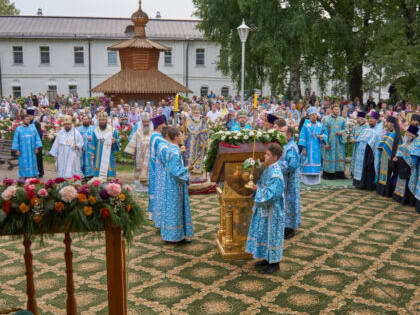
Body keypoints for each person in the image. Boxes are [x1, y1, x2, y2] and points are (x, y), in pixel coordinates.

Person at [246, 143, 285, 274]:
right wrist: (256, 186)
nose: (264, 156)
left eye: (267, 154)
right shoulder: (268, 168)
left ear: (275, 157)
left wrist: (257, 190)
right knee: (264, 234)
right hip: (265, 210)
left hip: (273, 211)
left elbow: (272, 195)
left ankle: (274, 263)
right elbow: (262, 184)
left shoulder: (276, 174)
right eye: (265, 154)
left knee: (272, 235)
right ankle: (267, 258)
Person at [160, 127, 194, 242]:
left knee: (170, 206)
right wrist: (187, 169)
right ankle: (175, 236)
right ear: (175, 137)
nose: (182, 138)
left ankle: (169, 234)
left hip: (169, 183)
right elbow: (176, 172)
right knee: (176, 207)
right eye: (180, 135)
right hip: (175, 185)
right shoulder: (175, 152)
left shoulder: (169, 149)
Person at [353, 111, 382, 190]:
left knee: (369, 168)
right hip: (362, 151)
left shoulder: (378, 130)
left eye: (372, 119)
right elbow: (360, 138)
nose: (370, 120)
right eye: (369, 118)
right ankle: (360, 183)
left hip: (371, 152)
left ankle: (369, 185)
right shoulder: (366, 129)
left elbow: (377, 141)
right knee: (363, 167)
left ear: (376, 120)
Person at [298, 107, 328, 185]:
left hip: (317, 148)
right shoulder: (305, 124)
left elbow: (325, 134)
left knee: (316, 162)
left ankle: (316, 180)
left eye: (315, 115)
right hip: (307, 147)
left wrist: (322, 137)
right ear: (309, 116)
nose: (313, 116)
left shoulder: (320, 125)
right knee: (307, 162)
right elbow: (302, 136)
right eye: (312, 115)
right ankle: (306, 180)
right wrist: (303, 148)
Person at [280, 127, 300, 239]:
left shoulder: (292, 147)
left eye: (282, 132)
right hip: (284, 179)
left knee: (289, 202)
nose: (279, 133)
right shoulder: (284, 144)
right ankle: (283, 226)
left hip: (290, 180)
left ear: (289, 134)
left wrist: (278, 165)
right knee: (284, 202)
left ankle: (289, 228)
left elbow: (292, 165)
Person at [124, 112, 152, 192]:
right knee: (138, 169)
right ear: (142, 121)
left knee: (148, 170)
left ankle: (148, 187)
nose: (146, 123)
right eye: (144, 122)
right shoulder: (138, 131)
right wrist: (133, 153)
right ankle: (139, 187)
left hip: (149, 154)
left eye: (147, 122)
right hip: (139, 154)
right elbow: (133, 141)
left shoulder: (152, 130)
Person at [88, 112, 120, 180]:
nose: (102, 122)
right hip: (98, 155)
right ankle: (98, 184)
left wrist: (115, 141)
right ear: (98, 121)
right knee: (98, 169)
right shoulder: (95, 131)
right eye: (100, 120)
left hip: (109, 154)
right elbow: (92, 143)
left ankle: (110, 184)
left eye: (103, 120)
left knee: (109, 169)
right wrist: (92, 154)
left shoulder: (112, 130)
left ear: (106, 120)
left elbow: (117, 141)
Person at [183, 105, 210, 183]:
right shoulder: (188, 120)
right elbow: (185, 133)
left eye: (198, 113)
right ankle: (190, 179)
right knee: (190, 161)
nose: (196, 114)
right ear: (192, 112)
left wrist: (203, 134)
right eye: (195, 113)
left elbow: (207, 131)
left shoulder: (203, 120)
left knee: (200, 161)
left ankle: (200, 179)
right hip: (191, 145)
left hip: (200, 145)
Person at [148, 115, 168, 223]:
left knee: (154, 190)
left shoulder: (155, 136)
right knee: (158, 190)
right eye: (164, 124)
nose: (165, 126)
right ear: (159, 125)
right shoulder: (158, 138)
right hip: (158, 168)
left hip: (154, 167)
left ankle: (153, 213)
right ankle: (157, 214)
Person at [392, 125, 418, 206]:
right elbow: (400, 151)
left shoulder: (416, 144)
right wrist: (396, 157)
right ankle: (399, 197)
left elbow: (414, 157)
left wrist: (405, 156)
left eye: (408, 133)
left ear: (413, 135)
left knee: (407, 183)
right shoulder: (405, 142)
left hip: (409, 168)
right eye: (406, 132)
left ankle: (406, 200)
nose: (406, 134)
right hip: (401, 166)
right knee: (400, 181)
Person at [376, 116, 401, 197]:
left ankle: (387, 192)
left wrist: (395, 156)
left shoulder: (396, 134)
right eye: (386, 122)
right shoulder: (388, 132)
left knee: (388, 175)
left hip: (390, 158)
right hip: (384, 158)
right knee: (382, 174)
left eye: (388, 122)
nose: (386, 123)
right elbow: (382, 144)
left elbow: (399, 146)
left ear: (393, 124)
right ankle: (381, 190)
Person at [12, 115, 43, 179]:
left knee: (33, 161)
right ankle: (24, 176)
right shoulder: (18, 129)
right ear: (22, 120)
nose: (28, 121)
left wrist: (37, 147)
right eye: (26, 119)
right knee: (23, 162)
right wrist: (16, 150)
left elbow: (37, 137)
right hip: (22, 150)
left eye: (29, 119)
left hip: (32, 150)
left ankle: (33, 175)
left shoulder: (33, 128)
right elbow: (15, 140)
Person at [322, 104, 347, 179]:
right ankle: (329, 174)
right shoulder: (326, 119)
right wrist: (325, 143)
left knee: (339, 157)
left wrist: (341, 132)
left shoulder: (342, 119)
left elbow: (346, 129)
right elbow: (323, 131)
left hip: (339, 143)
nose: (337, 111)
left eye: (338, 109)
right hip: (330, 143)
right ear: (332, 110)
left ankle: (339, 174)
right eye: (335, 109)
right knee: (330, 157)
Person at [349, 112, 368, 176]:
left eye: (358, 118)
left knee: (361, 160)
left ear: (362, 118)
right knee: (354, 158)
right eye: (357, 118)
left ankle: (360, 174)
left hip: (362, 147)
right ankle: (353, 173)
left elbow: (365, 137)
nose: (357, 119)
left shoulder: (366, 127)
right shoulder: (356, 126)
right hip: (356, 146)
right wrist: (352, 139)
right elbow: (352, 134)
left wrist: (356, 140)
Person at [27, 109, 44, 178]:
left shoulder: (36, 123)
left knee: (38, 159)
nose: (30, 117)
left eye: (31, 116)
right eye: (28, 116)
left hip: (37, 144)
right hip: (29, 144)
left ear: (33, 116)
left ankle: (40, 172)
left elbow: (40, 134)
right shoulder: (27, 124)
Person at [78, 115, 95, 179]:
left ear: (89, 120)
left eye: (86, 119)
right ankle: (83, 175)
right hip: (82, 149)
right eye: (84, 119)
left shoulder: (93, 128)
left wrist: (92, 139)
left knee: (90, 162)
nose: (85, 120)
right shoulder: (79, 129)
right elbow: (77, 139)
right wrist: (81, 146)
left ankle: (91, 175)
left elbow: (96, 138)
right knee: (82, 162)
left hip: (91, 149)